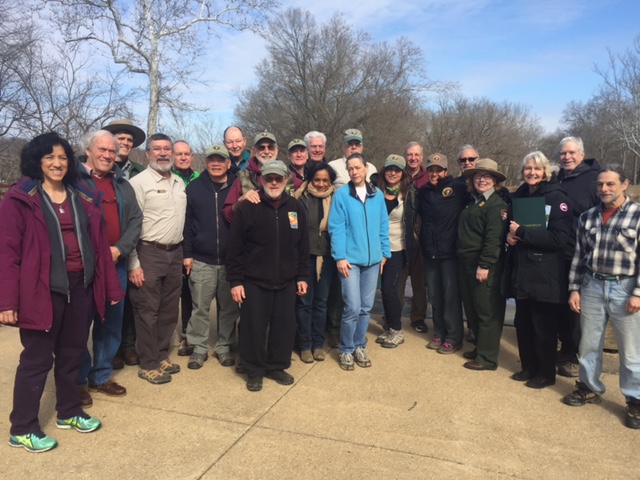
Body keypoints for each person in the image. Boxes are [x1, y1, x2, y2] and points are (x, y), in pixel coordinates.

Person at [0, 132, 123, 453]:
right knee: (36, 359)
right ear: (37, 161)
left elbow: (99, 246)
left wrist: (110, 286)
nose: (57, 164)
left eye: (62, 158)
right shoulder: (20, 198)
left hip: (80, 286)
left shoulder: (81, 195)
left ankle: (68, 411)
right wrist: (6, 301)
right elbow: (6, 253)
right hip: (41, 291)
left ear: (70, 162)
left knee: (72, 353)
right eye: (49, 158)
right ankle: (23, 428)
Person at [563, 165, 640, 430]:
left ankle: (635, 400)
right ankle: (589, 387)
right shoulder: (588, 217)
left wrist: (638, 293)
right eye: (600, 185)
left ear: (624, 184)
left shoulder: (637, 215)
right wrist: (574, 288)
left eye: (610, 184)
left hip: (625, 287)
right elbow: (578, 256)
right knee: (588, 344)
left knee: (630, 351)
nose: (604, 190)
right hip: (592, 285)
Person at [226, 160, 309, 392]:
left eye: (278, 178)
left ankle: (276, 366)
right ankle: (254, 369)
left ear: (285, 180)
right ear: (261, 180)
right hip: (254, 280)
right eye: (269, 178)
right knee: (254, 327)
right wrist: (235, 281)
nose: (274, 182)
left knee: (284, 325)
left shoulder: (295, 207)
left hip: (286, 280)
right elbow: (235, 248)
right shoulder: (249, 206)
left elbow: (303, 245)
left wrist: (302, 276)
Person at [76, 130, 142, 407]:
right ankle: (76, 380)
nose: (106, 155)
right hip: (82, 266)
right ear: (88, 151)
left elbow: (136, 220)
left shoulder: (121, 184)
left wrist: (120, 249)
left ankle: (101, 375)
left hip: (115, 263)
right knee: (78, 325)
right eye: (101, 150)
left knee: (111, 322)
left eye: (111, 151)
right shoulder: (73, 181)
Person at [505, 152, 572, 388]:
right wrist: (510, 237)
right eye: (527, 168)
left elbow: (559, 238)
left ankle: (545, 373)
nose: (532, 173)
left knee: (544, 326)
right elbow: (512, 228)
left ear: (545, 171)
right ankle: (528, 367)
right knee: (523, 322)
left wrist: (523, 233)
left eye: (537, 169)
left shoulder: (556, 197)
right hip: (522, 269)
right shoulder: (520, 195)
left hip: (546, 273)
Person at [128, 134, 187, 384]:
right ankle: (148, 363)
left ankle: (162, 354)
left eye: (167, 149)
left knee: (168, 310)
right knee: (147, 311)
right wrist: (134, 263)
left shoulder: (178, 182)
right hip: (148, 252)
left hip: (175, 252)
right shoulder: (138, 183)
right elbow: (130, 225)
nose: (163, 153)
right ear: (147, 153)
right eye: (157, 149)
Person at [329, 153, 390, 370]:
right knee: (352, 307)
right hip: (350, 261)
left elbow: (383, 224)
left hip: (372, 260)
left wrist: (384, 253)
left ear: (366, 169)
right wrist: (340, 257)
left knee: (366, 307)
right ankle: (345, 348)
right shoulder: (342, 195)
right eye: (350, 168)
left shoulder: (377, 194)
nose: (354, 172)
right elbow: (336, 228)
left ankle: (359, 345)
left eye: (358, 167)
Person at [182, 144, 239, 369]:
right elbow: (187, 225)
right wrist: (187, 254)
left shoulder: (237, 186)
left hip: (229, 260)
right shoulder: (194, 188)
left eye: (220, 160)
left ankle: (224, 346)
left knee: (228, 308)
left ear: (228, 163)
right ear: (205, 162)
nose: (216, 164)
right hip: (201, 259)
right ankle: (199, 347)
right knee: (200, 307)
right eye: (211, 160)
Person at [102, 119, 147, 369]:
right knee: (108, 302)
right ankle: (111, 351)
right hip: (105, 244)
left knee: (130, 299)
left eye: (129, 140)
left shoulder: (138, 171)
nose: (125, 143)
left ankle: (128, 346)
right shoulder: (92, 170)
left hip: (132, 239)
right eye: (120, 138)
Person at [457, 158, 508, 371]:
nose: (482, 179)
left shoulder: (497, 205)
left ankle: (487, 358)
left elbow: (494, 239)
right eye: (478, 175)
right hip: (466, 263)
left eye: (487, 176)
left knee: (487, 311)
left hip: (483, 265)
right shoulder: (474, 201)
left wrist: (485, 265)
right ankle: (480, 347)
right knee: (473, 308)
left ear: (495, 180)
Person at [556, 136, 601, 378]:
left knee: (577, 307)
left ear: (582, 154)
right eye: (563, 153)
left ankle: (576, 355)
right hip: (558, 252)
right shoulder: (557, 178)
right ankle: (565, 349)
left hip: (583, 254)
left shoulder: (595, 179)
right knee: (562, 305)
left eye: (572, 152)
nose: (567, 157)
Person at [418, 153, 467, 355]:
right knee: (435, 295)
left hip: (449, 253)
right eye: (431, 169)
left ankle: (454, 336)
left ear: (446, 171)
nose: (435, 173)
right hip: (430, 252)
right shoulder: (424, 191)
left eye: (439, 169)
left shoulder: (458, 189)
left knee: (450, 296)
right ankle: (439, 332)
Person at [293, 163, 337, 363]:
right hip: (304, 257)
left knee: (321, 302)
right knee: (304, 303)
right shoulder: (299, 199)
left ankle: (318, 343)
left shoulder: (337, 199)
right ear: (310, 179)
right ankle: (304, 344)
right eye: (317, 180)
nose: (320, 184)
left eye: (325, 180)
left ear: (330, 181)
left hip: (327, 257)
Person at [376, 155, 410, 348]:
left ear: (402, 173)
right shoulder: (374, 191)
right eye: (389, 169)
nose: (392, 173)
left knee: (389, 290)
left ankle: (396, 330)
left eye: (397, 170)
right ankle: (389, 328)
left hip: (397, 248)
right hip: (374, 248)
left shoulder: (408, 195)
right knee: (381, 291)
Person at [171, 140, 200, 357]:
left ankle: (191, 335)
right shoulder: (168, 178)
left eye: (186, 154)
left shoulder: (200, 179)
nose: (183, 157)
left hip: (194, 243)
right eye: (178, 154)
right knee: (177, 294)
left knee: (192, 292)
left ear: (192, 156)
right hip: (172, 242)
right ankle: (181, 334)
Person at [223, 132, 293, 223]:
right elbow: (227, 215)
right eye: (261, 147)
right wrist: (240, 202)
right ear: (254, 151)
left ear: (277, 149)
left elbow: (299, 212)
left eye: (270, 147)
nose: (267, 151)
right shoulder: (243, 177)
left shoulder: (290, 176)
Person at [400, 141, 429, 333]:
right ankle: (391, 316)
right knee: (397, 281)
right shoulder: (396, 175)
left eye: (416, 155)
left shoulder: (428, 178)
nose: (413, 158)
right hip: (400, 237)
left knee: (420, 282)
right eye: (410, 154)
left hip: (422, 237)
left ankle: (418, 317)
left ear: (421, 156)